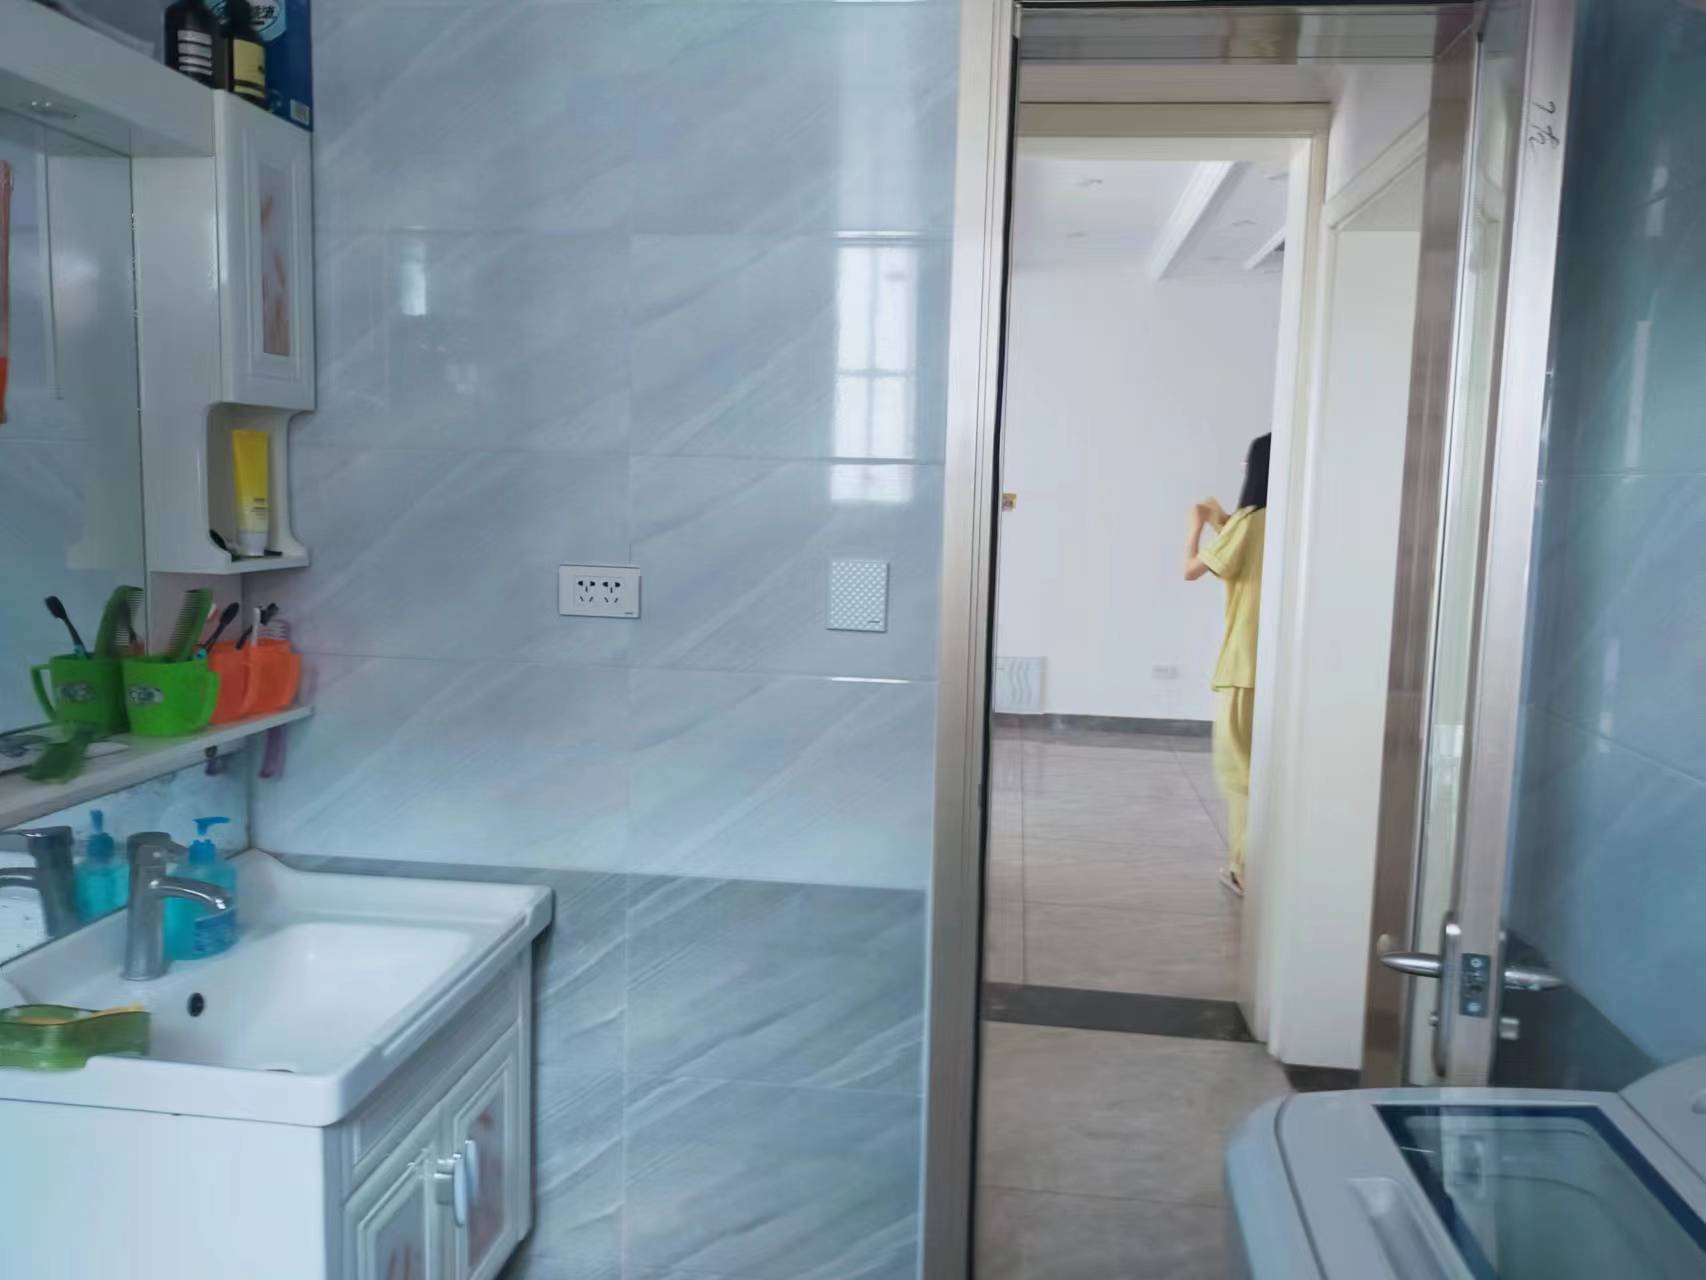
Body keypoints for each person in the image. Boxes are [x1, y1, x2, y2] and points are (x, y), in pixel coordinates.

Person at [1182, 433, 1270, 897]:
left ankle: (1244, 869)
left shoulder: (1251, 521)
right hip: (1280, 670)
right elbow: (1246, 559)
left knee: (1239, 775)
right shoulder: (1292, 522)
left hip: (1243, 667)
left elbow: (1191, 570)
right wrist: (1222, 521)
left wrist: (1196, 524)